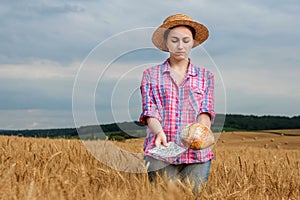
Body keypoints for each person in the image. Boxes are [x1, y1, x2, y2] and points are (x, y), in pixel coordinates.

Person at [139, 14, 215, 193]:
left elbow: (206, 110)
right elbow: (150, 111)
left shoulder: (206, 76)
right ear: (166, 43)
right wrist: (158, 132)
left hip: (197, 154)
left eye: (185, 40)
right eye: (174, 40)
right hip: (161, 151)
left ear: (192, 43)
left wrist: (200, 133)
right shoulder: (150, 74)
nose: (180, 46)